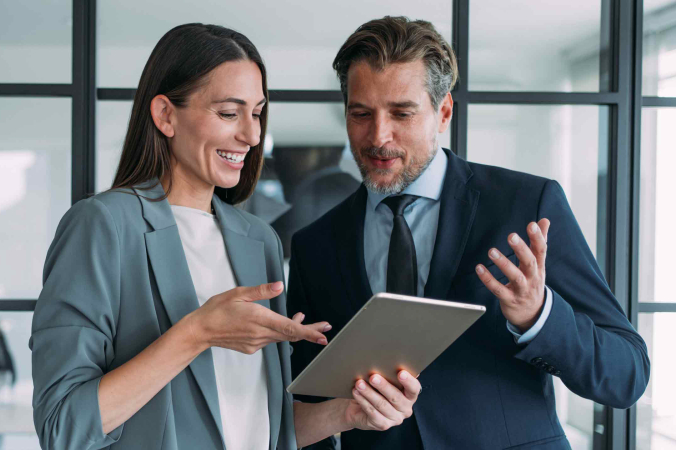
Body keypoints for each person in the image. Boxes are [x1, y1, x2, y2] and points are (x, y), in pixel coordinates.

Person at [29, 23, 421, 450]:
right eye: (229, 113)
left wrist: (345, 413)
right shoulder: (102, 226)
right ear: (165, 115)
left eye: (256, 113)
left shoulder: (259, 241)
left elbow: (262, 427)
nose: (252, 136)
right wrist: (197, 332)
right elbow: (62, 426)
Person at [287, 16, 650, 450]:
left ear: (443, 112)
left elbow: (626, 375)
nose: (378, 136)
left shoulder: (527, 204)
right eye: (361, 114)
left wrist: (540, 317)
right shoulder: (315, 245)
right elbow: (306, 406)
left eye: (402, 113)